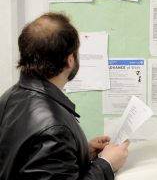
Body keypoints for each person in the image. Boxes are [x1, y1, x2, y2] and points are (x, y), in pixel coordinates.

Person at [0, 12, 129, 180]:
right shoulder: (55, 129)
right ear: (70, 60)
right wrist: (106, 165)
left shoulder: (9, 97)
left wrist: (80, 151)